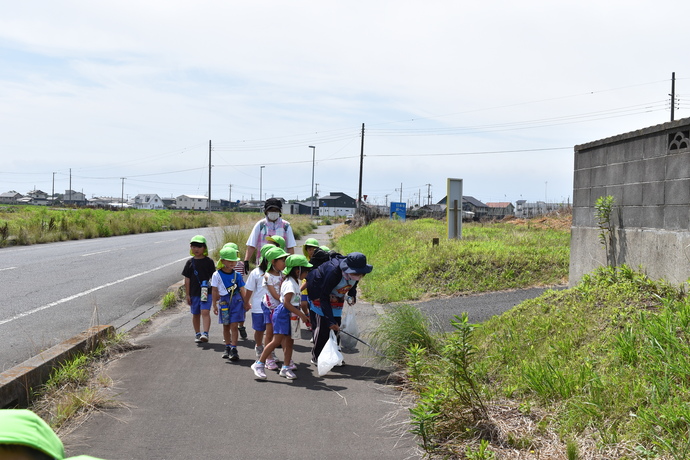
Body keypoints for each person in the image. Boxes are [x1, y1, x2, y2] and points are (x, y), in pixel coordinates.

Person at [251, 255, 312, 380]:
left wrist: (299, 314)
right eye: (306, 271)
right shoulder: (290, 284)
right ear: (297, 271)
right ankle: (259, 364)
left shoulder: (294, 281)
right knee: (277, 340)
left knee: (289, 342)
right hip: (283, 314)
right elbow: (286, 303)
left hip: (292, 314)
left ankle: (285, 368)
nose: (307, 274)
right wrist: (302, 315)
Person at [307, 252, 373, 365]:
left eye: (360, 273)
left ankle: (335, 356)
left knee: (336, 328)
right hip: (320, 295)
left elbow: (354, 284)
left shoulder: (356, 273)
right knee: (323, 328)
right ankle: (317, 357)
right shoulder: (333, 272)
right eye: (355, 273)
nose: (358, 276)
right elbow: (323, 296)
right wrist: (329, 320)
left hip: (336, 297)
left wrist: (352, 294)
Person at [211, 247, 247, 361]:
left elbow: (242, 289)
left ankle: (234, 348)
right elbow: (214, 290)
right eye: (229, 260)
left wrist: (246, 303)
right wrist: (214, 305)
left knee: (234, 326)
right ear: (222, 261)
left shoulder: (237, 275)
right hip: (224, 303)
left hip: (237, 302)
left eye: (234, 261)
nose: (232, 263)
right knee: (226, 326)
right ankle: (227, 346)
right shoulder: (216, 275)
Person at [244, 198, 296, 272]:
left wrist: (291, 265)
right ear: (266, 211)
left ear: (280, 211)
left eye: (276, 210)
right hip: (262, 265)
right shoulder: (260, 225)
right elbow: (251, 245)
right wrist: (246, 260)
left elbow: (290, 247)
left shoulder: (286, 226)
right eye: (271, 210)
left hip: (280, 266)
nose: (273, 212)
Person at [182, 235, 216, 343]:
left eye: (199, 246)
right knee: (196, 313)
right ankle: (197, 333)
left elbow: (214, 278)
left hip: (206, 292)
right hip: (194, 292)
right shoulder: (189, 263)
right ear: (190, 247)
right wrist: (187, 294)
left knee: (205, 311)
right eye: (194, 246)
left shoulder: (209, 262)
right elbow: (187, 279)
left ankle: (205, 333)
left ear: (204, 248)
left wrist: (216, 292)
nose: (196, 249)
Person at [261, 246, 289, 370]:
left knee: (282, 334)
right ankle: (268, 358)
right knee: (270, 332)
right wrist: (288, 301)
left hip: (281, 307)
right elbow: (275, 295)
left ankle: (287, 358)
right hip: (271, 307)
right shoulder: (268, 277)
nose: (284, 263)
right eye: (282, 260)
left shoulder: (283, 274)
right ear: (273, 262)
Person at [243, 244, 273, 358]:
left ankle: (270, 351)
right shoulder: (255, 272)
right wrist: (246, 303)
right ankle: (259, 346)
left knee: (272, 332)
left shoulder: (279, 272)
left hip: (273, 307)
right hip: (258, 307)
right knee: (259, 329)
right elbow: (249, 289)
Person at [219, 242, 249, 340]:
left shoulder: (221, 267)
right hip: (238, 292)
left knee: (227, 315)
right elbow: (242, 277)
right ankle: (241, 326)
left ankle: (228, 334)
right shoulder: (241, 264)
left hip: (227, 294)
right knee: (240, 311)